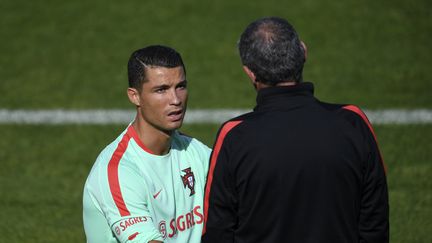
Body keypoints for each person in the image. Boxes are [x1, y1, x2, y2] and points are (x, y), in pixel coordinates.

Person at [202, 17, 389, 243]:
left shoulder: (234, 137)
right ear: (303, 52)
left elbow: (217, 232)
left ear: (250, 72)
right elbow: (374, 223)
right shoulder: (353, 123)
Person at [83, 45, 211, 243]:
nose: (176, 99)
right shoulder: (118, 171)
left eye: (181, 86)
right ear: (135, 96)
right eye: (161, 90)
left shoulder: (195, 152)